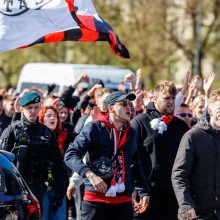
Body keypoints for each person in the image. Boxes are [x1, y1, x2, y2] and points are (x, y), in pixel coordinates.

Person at [65, 91, 150, 220]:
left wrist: (143, 191)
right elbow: (70, 154)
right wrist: (90, 175)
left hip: (123, 201)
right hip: (96, 201)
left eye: (130, 104)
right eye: (123, 104)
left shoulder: (131, 132)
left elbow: (135, 164)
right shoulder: (94, 128)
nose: (129, 107)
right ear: (111, 108)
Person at [131, 80, 189, 220]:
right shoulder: (139, 122)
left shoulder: (181, 126)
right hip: (146, 193)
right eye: (166, 98)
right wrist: (134, 188)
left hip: (172, 193)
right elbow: (131, 157)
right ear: (155, 98)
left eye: (173, 98)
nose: (171, 102)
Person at [0, 91, 65, 215]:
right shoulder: (12, 131)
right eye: (30, 108)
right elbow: (2, 162)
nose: (33, 111)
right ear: (21, 108)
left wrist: (59, 193)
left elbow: (58, 164)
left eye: (36, 107)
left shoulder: (47, 133)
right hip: (14, 189)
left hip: (38, 187)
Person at [172, 89, 220, 220]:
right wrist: (186, 205)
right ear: (209, 111)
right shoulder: (193, 136)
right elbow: (179, 174)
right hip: (198, 214)